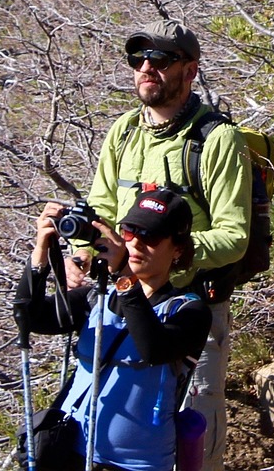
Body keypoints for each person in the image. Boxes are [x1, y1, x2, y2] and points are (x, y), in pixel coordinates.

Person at [81, 21, 249, 471]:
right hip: (119, 304)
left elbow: (233, 236)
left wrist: (166, 256)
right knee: (116, 431)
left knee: (192, 438)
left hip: (189, 311)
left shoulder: (217, 139)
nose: (146, 68)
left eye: (160, 59)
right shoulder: (122, 132)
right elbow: (100, 206)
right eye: (139, 59)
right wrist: (85, 249)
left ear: (190, 70)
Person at [19, 189, 212, 471]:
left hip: (137, 464)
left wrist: (124, 278)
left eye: (151, 236)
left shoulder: (189, 311)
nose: (136, 244)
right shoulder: (94, 299)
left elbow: (154, 348)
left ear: (178, 249)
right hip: (69, 452)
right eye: (130, 232)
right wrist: (41, 253)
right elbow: (30, 318)